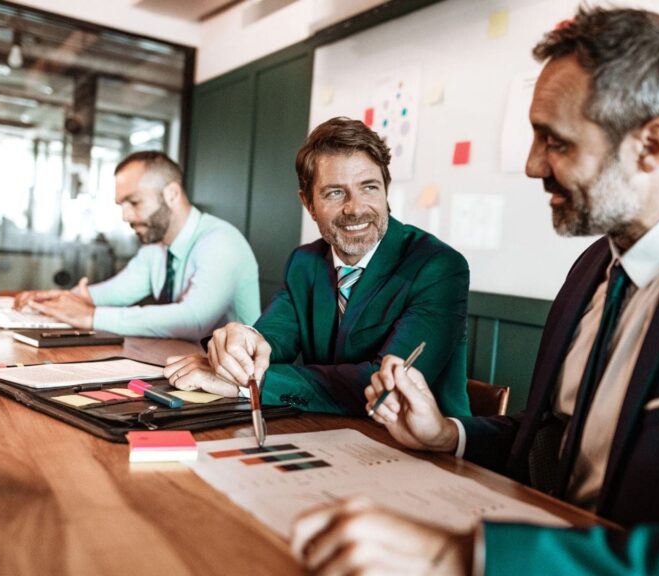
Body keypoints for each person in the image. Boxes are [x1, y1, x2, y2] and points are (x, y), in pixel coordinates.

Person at [290, 7, 659, 574]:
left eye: (556, 141)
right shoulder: (592, 269)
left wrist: (465, 558)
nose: (530, 165)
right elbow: (557, 440)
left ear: (652, 145)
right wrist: (451, 434)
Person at [163, 117, 472, 416]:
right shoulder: (304, 262)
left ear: (385, 190)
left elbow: (385, 386)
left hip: (424, 453)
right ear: (308, 204)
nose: (355, 208)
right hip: (325, 434)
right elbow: (271, 340)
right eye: (335, 192)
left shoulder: (439, 267)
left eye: (369, 187)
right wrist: (241, 345)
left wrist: (249, 385)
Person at [14, 151, 260, 341]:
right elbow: (115, 292)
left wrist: (91, 316)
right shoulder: (156, 248)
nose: (126, 216)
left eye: (134, 202)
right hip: (186, 369)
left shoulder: (221, 242)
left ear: (172, 194)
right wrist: (56, 300)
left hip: (237, 389)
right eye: (121, 205)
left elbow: (192, 320)